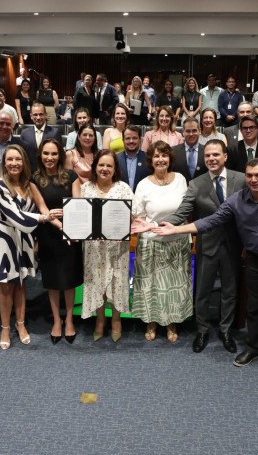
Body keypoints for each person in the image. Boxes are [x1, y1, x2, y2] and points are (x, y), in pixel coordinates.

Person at [153, 157, 258, 370]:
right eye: (250, 175)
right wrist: (176, 229)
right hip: (253, 261)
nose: (253, 180)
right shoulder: (236, 200)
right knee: (254, 309)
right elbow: (211, 221)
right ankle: (254, 348)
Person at [163, 139, 245, 353]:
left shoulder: (241, 179)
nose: (211, 159)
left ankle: (226, 330)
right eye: (207, 155)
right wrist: (157, 224)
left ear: (225, 156)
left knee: (230, 290)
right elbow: (182, 212)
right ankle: (202, 330)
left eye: (216, 154)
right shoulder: (197, 183)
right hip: (207, 245)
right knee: (202, 291)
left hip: (234, 245)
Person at [0, 144, 61, 350]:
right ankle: (4, 328)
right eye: (10, 159)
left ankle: (20, 324)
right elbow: (16, 216)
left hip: (23, 239)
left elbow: (43, 206)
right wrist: (44, 217)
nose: (14, 163)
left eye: (18, 159)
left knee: (20, 284)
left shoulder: (29, 184)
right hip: (4, 237)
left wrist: (61, 225)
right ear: (4, 163)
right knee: (5, 286)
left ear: (24, 162)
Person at [130, 141, 193, 342]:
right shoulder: (143, 184)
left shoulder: (181, 180)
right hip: (151, 243)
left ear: (170, 159)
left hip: (176, 241)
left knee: (174, 285)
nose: (160, 159)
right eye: (156, 156)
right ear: (151, 160)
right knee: (151, 285)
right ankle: (151, 322)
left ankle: (172, 322)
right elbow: (137, 215)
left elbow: (186, 211)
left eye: (164, 156)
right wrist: (147, 226)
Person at [72, 150, 134, 341]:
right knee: (96, 281)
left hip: (117, 247)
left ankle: (116, 319)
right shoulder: (86, 188)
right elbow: (80, 216)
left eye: (109, 165)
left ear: (115, 169)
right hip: (94, 247)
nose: (105, 169)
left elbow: (132, 215)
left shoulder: (123, 188)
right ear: (95, 167)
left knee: (117, 282)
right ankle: (100, 320)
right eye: (101, 165)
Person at [33, 139, 83, 344]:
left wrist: (69, 226)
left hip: (71, 234)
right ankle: (56, 320)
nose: (50, 158)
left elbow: (79, 205)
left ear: (60, 155)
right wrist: (58, 224)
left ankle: (69, 319)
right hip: (48, 234)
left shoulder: (71, 176)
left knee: (69, 281)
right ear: (40, 155)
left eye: (54, 154)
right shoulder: (34, 178)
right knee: (52, 281)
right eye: (46, 153)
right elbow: (42, 208)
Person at [19, 102, 62, 171]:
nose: (38, 117)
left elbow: (60, 155)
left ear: (45, 115)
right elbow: (21, 155)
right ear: (31, 116)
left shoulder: (55, 132)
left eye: (41, 114)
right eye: (35, 115)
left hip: (49, 173)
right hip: (30, 173)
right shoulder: (24, 133)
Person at [170, 118, 207, 183]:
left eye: (194, 130)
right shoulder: (173, 151)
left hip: (202, 191)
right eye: (188, 131)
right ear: (183, 132)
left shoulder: (207, 151)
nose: (191, 134)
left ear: (200, 131)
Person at [117, 126, 149, 192]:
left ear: (140, 140)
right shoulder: (115, 159)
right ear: (123, 140)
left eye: (134, 138)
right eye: (128, 138)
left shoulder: (148, 159)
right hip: (121, 200)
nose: (131, 141)